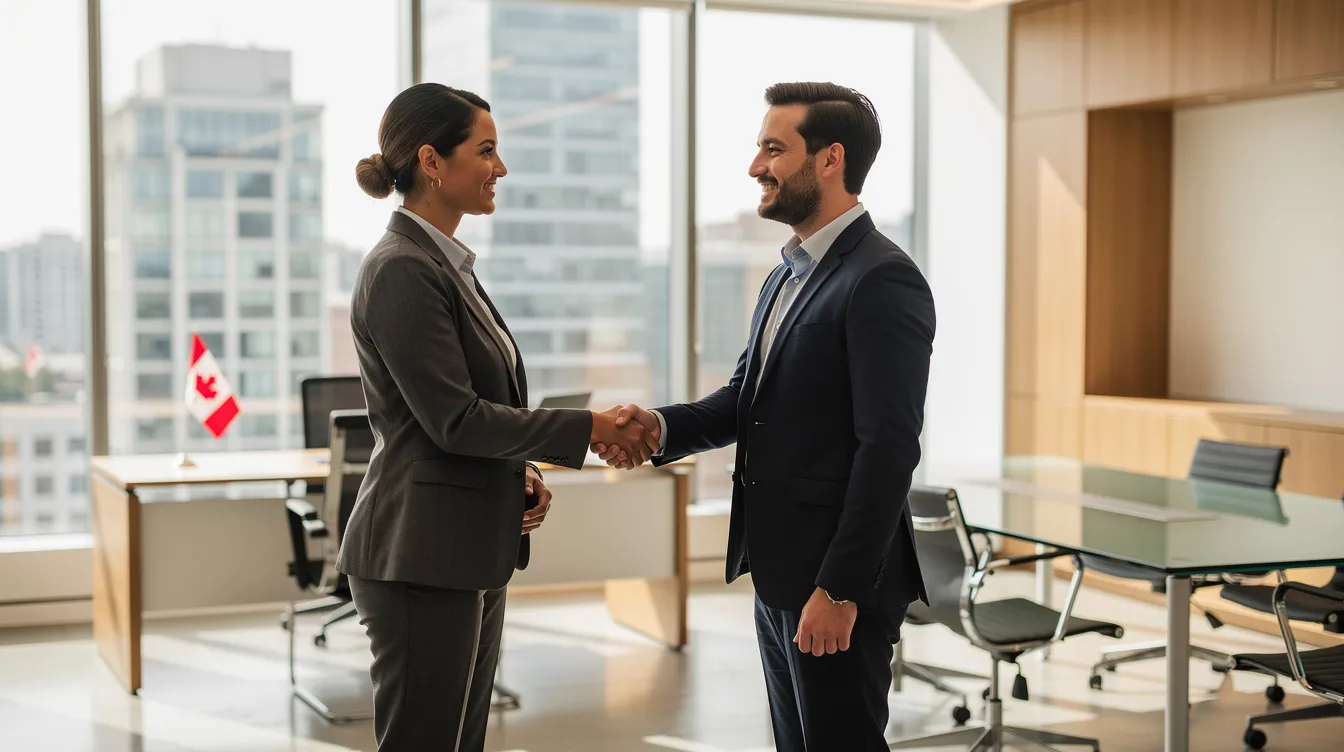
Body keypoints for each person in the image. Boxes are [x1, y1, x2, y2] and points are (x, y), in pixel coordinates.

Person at [595, 82, 935, 751]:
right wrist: (655, 428)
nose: (756, 166)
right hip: (781, 571)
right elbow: (744, 399)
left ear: (831, 159)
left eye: (774, 148)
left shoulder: (881, 279)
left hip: (837, 582)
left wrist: (838, 588)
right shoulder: (787, 274)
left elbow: (889, 449)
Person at [340, 83, 657, 752]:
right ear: (431, 160)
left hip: (461, 549)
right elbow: (455, 420)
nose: (500, 169)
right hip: (417, 553)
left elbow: (479, 411)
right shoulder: (402, 268)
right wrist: (591, 428)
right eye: (486, 151)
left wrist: (518, 471)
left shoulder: (447, 265)